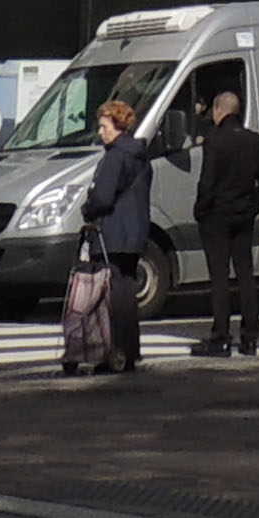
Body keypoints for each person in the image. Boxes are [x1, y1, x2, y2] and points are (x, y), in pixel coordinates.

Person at [186, 85, 259, 360]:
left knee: (220, 277)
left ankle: (221, 336)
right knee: (245, 273)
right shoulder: (254, 141)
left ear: (218, 110)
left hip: (217, 215)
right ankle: (250, 336)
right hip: (243, 214)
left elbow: (207, 184)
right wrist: (253, 206)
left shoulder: (215, 141)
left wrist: (200, 210)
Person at [82, 94, 157, 375]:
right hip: (134, 232)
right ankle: (129, 349)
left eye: (104, 126)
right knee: (126, 293)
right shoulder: (140, 156)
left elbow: (103, 196)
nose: (101, 132)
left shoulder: (115, 156)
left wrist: (88, 208)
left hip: (112, 233)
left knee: (110, 296)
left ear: (117, 125)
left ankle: (112, 350)